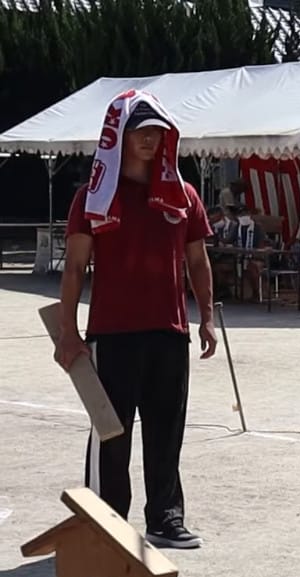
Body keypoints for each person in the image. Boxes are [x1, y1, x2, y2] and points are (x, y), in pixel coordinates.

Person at [54, 92, 218, 550]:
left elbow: (198, 260)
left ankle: (165, 519)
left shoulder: (182, 195)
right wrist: (68, 332)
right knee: (112, 431)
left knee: (167, 431)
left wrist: (206, 317)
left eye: (157, 132)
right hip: (113, 333)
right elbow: (74, 267)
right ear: (118, 137)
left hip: (169, 330)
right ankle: (107, 522)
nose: (150, 139)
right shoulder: (94, 196)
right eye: (140, 131)